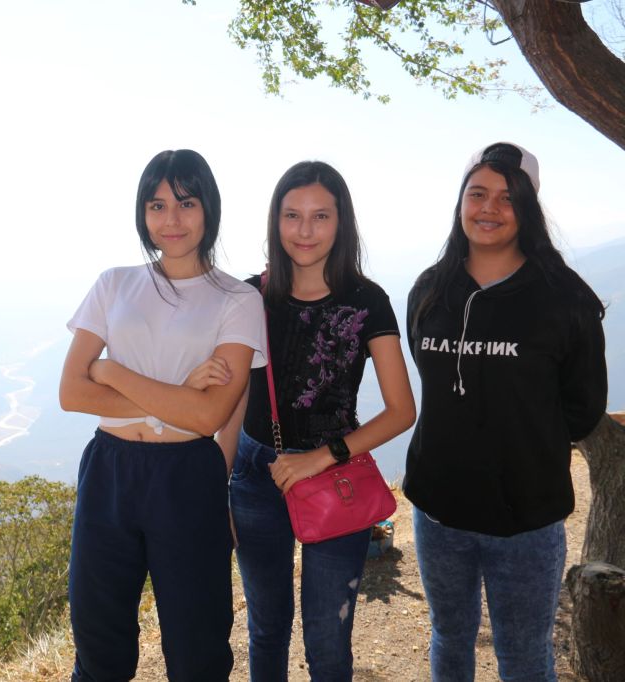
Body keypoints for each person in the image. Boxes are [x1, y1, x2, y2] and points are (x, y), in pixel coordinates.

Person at [59, 149, 267, 682]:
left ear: (209, 208)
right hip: (109, 472)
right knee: (98, 641)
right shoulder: (114, 283)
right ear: (142, 213)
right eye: (157, 205)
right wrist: (178, 396)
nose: (171, 219)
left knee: (198, 648)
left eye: (186, 203)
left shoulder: (238, 299)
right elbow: (72, 392)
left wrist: (111, 371)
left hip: (188, 475)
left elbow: (210, 415)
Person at [404, 142, 607, 681]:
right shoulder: (430, 289)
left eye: (507, 197)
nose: (489, 208)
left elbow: (584, 406)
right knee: (449, 638)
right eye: (477, 194)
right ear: (460, 202)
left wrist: (524, 449)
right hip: (438, 510)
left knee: (523, 657)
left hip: (526, 519)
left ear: (529, 209)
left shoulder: (565, 298)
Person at [211, 160, 416, 681]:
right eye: (292, 215)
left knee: (327, 642)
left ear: (341, 222)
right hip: (255, 475)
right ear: (275, 221)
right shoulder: (249, 296)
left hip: (336, 476)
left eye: (321, 216)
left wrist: (319, 459)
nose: (305, 230)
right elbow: (234, 401)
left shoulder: (367, 301)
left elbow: (402, 410)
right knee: (266, 628)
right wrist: (218, 486)